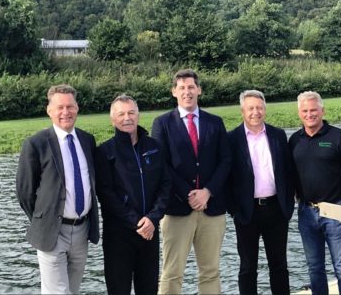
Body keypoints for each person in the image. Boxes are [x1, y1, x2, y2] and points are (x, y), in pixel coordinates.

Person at [151, 68, 232, 295]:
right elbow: (162, 165)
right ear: (174, 92)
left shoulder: (215, 122)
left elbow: (225, 161)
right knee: (172, 272)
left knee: (210, 271)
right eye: (182, 88)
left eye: (191, 87)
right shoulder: (162, 124)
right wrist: (189, 193)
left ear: (199, 90)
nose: (187, 92)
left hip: (212, 208)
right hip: (177, 209)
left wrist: (207, 191)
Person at [16, 84, 100, 294]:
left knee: (72, 289)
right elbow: (25, 192)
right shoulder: (36, 144)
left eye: (70, 106)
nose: (66, 112)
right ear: (49, 110)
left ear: (77, 108)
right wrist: (45, 218)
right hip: (52, 231)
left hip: (82, 230)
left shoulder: (87, 140)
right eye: (60, 107)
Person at [288, 91, 341, 295]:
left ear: (323, 110)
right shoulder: (294, 140)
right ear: (299, 113)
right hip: (306, 212)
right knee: (314, 269)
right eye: (305, 110)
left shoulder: (337, 136)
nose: (309, 114)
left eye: (313, 110)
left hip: (335, 212)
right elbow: (289, 172)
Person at [95, 94, 171, 295]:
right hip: (118, 235)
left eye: (131, 112)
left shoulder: (154, 147)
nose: (127, 118)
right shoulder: (105, 152)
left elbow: (165, 185)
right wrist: (136, 222)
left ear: (138, 115)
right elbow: (105, 194)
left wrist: (153, 218)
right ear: (113, 119)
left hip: (149, 232)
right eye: (121, 114)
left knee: (148, 289)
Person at [227, 90, 295, 295]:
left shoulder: (278, 135)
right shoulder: (231, 138)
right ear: (242, 111)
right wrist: (234, 210)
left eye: (259, 107)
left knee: (279, 265)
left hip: (276, 209)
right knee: (248, 267)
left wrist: (288, 204)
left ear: (265, 109)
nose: (255, 112)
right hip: (246, 211)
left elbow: (288, 170)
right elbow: (226, 177)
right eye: (250, 108)